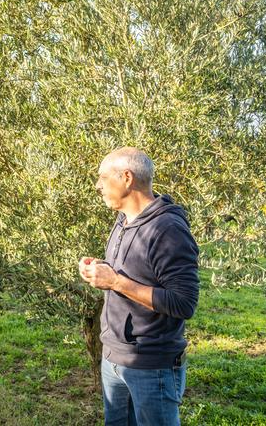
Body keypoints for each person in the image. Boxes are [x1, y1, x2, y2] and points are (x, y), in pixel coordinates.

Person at [78, 147, 199, 426]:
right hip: (114, 357)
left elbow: (183, 303)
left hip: (151, 365)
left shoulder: (168, 229)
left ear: (127, 178)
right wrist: (100, 269)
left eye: (103, 177)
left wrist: (116, 281)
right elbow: (134, 270)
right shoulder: (123, 219)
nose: (98, 186)